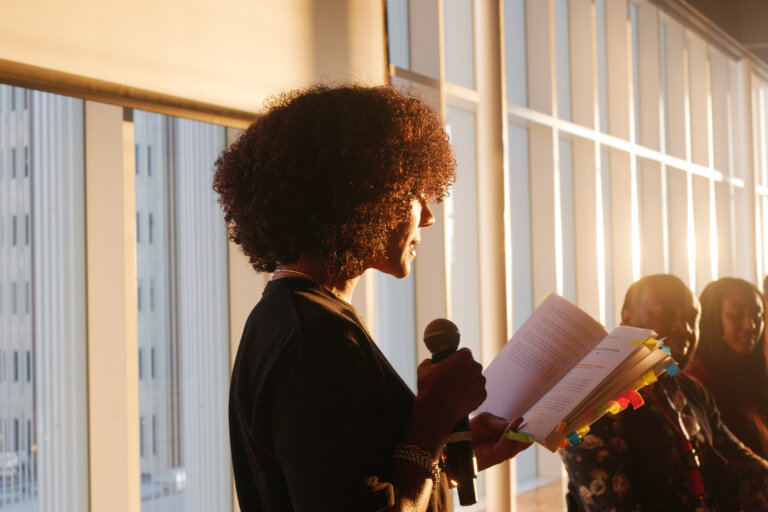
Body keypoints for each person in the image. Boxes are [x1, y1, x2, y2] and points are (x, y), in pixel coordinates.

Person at [215, 85, 530, 512]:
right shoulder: (315, 342)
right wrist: (435, 414)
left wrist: (447, 453)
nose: (428, 216)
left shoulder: (293, 318)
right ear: (363, 196)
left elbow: (357, 483)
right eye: (415, 193)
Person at [560, 274, 768, 511]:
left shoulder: (691, 390)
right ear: (627, 320)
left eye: (692, 319)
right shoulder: (592, 399)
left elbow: (742, 464)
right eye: (668, 313)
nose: (684, 328)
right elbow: (613, 504)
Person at [685, 277, 768, 459]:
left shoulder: (748, 372)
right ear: (713, 318)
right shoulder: (701, 378)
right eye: (736, 314)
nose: (751, 325)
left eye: (758, 315)